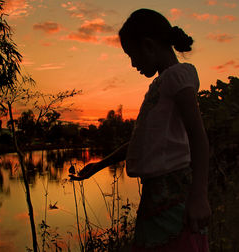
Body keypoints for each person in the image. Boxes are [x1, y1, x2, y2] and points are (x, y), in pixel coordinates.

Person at [69, 8, 211, 251]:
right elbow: (141, 143)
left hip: (174, 192)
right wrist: (100, 165)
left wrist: (199, 196)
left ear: (148, 46)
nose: (133, 63)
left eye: (131, 55)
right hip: (155, 194)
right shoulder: (160, 85)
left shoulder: (177, 77)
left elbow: (198, 137)